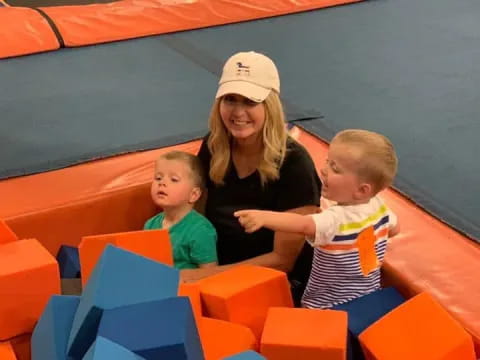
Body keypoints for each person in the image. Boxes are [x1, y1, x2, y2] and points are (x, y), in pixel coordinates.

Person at [180, 51, 321, 303]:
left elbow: (282, 261)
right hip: (215, 262)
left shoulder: (294, 164)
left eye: (249, 102)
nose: (238, 112)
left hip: (266, 280)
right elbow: (196, 210)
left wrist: (205, 276)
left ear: (270, 106)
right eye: (230, 100)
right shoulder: (214, 145)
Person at [235, 129, 400, 308]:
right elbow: (394, 229)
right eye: (328, 162)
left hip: (326, 303)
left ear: (362, 190)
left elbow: (303, 224)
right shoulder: (380, 207)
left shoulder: (335, 220)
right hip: (367, 293)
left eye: (335, 168)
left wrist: (264, 217)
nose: (324, 170)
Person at [144, 151, 218, 270]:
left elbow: (209, 273)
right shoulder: (150, 225)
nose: (162, 183)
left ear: (193, 194)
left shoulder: (200, 230)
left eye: (174, 179)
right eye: (158, 178)